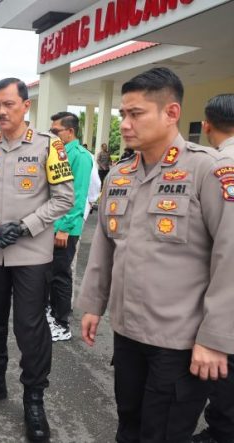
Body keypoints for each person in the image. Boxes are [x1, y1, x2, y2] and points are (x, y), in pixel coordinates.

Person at [77, 67, 234, 443]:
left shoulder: (208, 170)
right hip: (129, 332)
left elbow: (230, 258)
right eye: (122, 115)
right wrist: (92, 304)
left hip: (180, 342)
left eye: (136, 114)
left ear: (172, 113)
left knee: (162, 434)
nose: (126, 125)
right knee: (128, 424)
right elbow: (104, 246)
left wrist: (215, 340)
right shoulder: (121, 173)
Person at [0, 77, 74, 442]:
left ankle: (34, 399)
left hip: (31, 254)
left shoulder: (49, 146)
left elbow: (63, 198)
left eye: (9, 104)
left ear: (26, 106)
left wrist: (24, 227)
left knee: (30, 327)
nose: (1, 112)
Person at [192, 93, 234, 443]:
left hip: (225, 294)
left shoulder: (221, 166)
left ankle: (221, 432)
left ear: (206, 126)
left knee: (225, 377)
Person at [46, 111, 93, 342]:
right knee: (50, 273)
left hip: (65, 227)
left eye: (56, 131)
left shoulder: (80, 156)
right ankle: (51, 312)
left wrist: (64, 227)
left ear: (70, 131)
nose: (52, 135)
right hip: (51, 223)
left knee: (61, 275)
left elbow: (78, 195)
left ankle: (62, 323)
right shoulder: (59, 152)